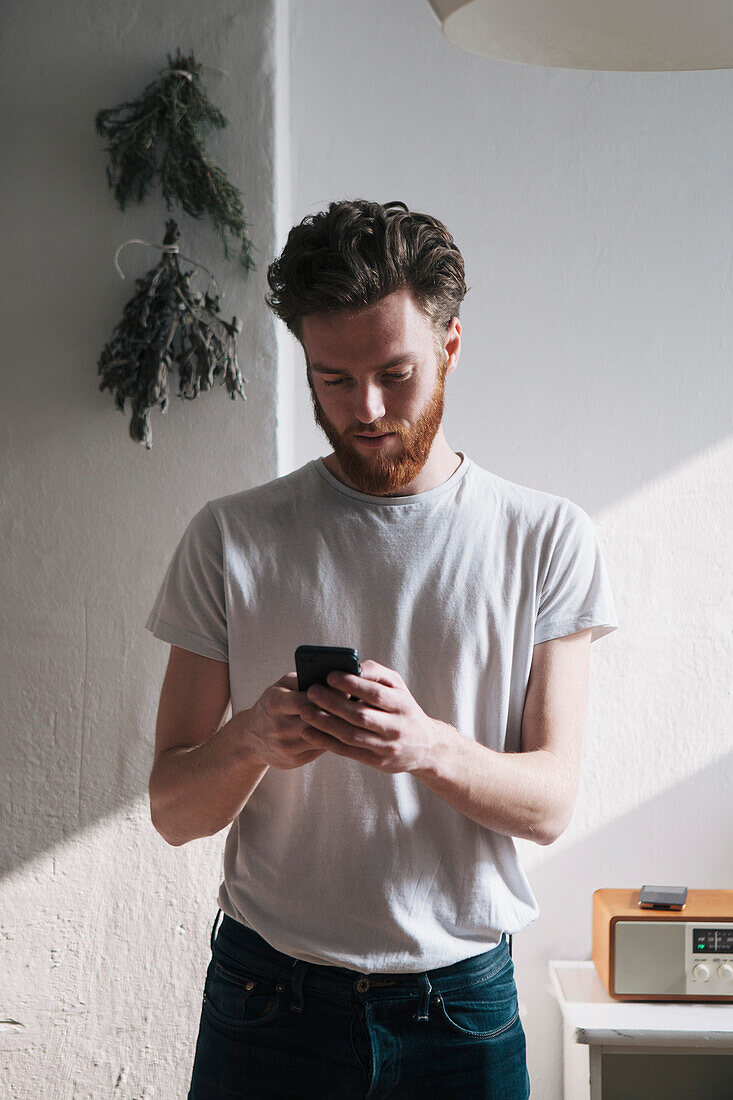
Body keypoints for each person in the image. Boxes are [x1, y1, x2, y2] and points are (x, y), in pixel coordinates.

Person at [145, 198, 619, 1099]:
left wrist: (428, 746)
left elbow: (551, 803)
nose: (366, 410)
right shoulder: (229, 538)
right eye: (334, 380)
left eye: (394, 374)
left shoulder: (545, 537)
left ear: (448, 346)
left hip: (459, 1010)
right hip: (264, 1000)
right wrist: (249, 740)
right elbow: (173, 813)